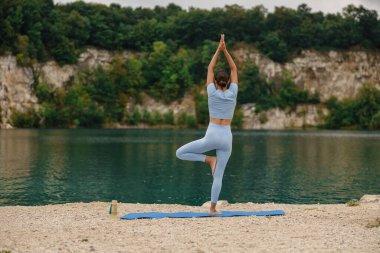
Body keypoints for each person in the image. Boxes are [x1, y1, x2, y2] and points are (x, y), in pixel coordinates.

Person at [176, 34, 238, 215]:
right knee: (218, 176)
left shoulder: (211, 92)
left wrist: (218, 50)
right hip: (226, 137)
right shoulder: (233, 93)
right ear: (227, 82)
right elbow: (233, 68)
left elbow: (210, 67)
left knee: (180, 153)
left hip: (212, 135)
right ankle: (212, 209)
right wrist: (225, 51)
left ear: (215, 82)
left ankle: (208, 159)